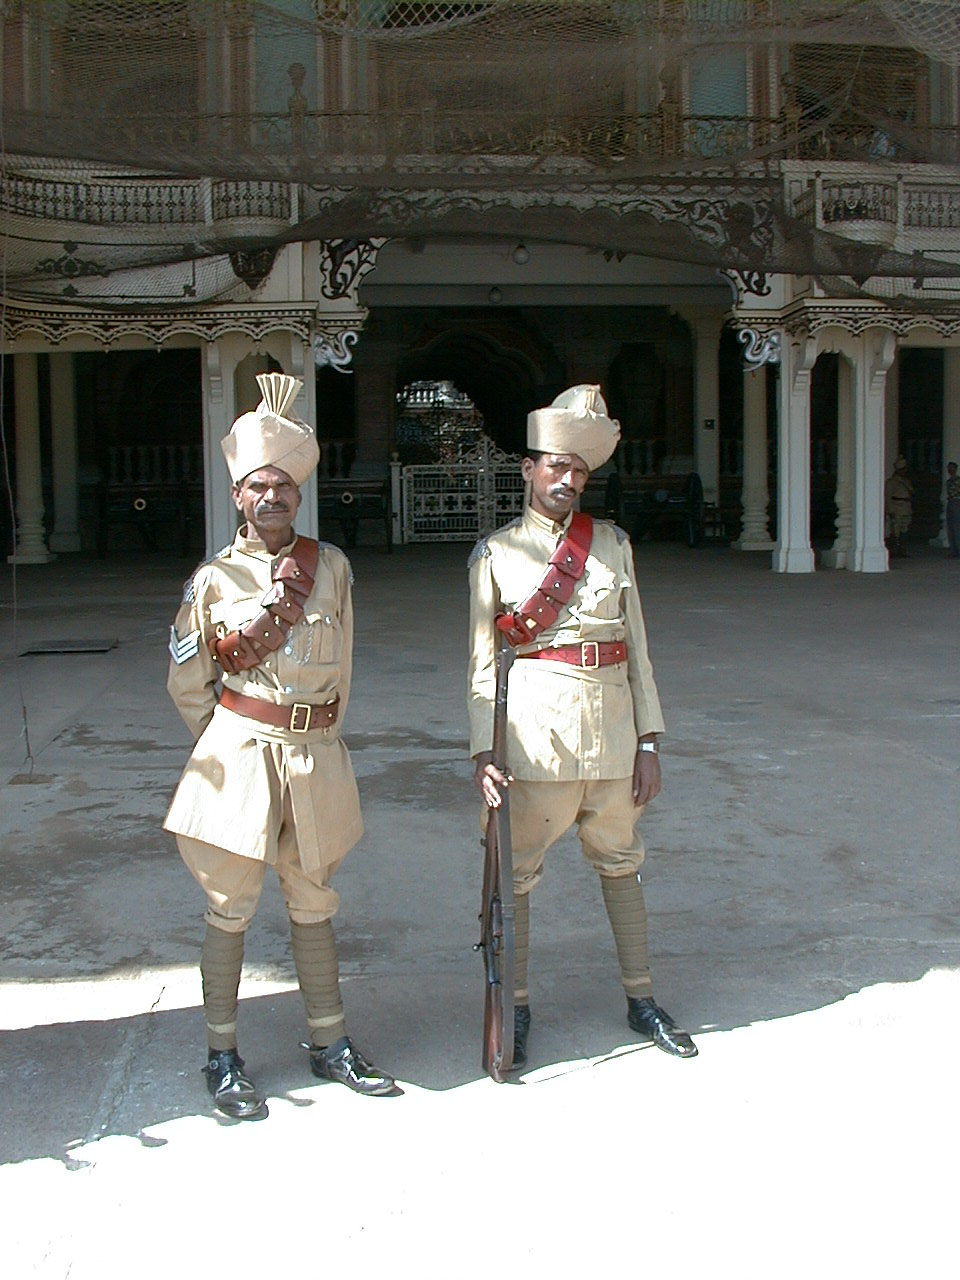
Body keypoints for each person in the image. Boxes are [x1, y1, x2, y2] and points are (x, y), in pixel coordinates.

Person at [165, 372, 397, 1120]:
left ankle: (330, 1042)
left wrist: (321, 739)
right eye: (258, 487)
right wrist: (228, 739)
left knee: (313, 898)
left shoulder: (329, 568)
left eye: (284, 488)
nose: (272, 499)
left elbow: (347, 665)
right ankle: (223, 1054)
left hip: (315, 753)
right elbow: (186, 682)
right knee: (229, 905)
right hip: (239, 751)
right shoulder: (212, 579)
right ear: (238, 495)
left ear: (299, 495)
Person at [467, 385, 697, 1068]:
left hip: (615, 738)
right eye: (555, 466)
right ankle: (518, 1007)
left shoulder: (615, 546)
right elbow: (483, 667)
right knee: (519, 875)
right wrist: (486, 752)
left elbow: (640, 650)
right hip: (536, 743)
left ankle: (642, 998)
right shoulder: (496, 555)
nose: (566, 481)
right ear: (529, 470)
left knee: (622, 865)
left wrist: (649, 741)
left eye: (578, 471)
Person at [885, 455, 914, 557]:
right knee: (895, 531)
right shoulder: (891, 482)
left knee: (904, 530)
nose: (904, 471)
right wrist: (891, 510)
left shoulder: (906, 481)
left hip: (906, 508)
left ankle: (902, 550)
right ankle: (894, 550)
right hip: (896, 508)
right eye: (902, 469)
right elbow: (888, 497)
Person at [945, 461, 960, 559]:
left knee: (956, 527)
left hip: (957, 501)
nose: (950, 470)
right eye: (948, 468)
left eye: (952, 468)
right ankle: (953, 550)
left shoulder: (958, 480)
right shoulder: (948, 481)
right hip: (950, 502)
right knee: (950, 527)